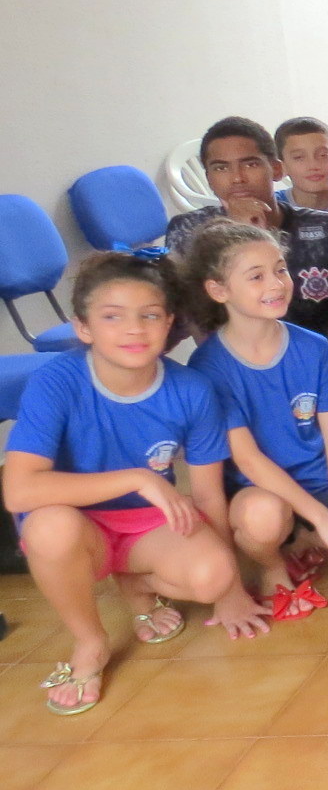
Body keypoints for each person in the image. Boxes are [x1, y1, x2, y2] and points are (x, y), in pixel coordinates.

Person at [5, 253, 270, 714]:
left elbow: (207, 495)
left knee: (214, 576)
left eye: (149, 315)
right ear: (83, 328)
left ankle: (135, 582)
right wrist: (137, 477)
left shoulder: (191, 390)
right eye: (113, 316)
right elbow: (19, 491)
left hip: (146, 525)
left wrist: (230, 592)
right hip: (75, 524)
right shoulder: (55, 381)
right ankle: (90, 642)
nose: (134, 330)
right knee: (50, 528)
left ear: (168, 323)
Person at [185, 222, 328, 621]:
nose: (277, 283)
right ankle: (272, 564)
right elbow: (248, 460)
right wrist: (325, 520)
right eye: (256, 276)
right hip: (261, 493)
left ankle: (306, 539)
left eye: (281, 269)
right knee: (262, 518)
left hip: (325, 486)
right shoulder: (208, 367)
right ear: (218, 290)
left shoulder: (313, 348)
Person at [168, 117, 328, 363]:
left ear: (277, 169)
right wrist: (237, 232)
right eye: (221, 168)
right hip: (231, 373)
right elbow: (196, 321)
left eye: (250, 164)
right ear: (209, 178)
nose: (237, 178)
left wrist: (326, 379)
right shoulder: (188, 232)